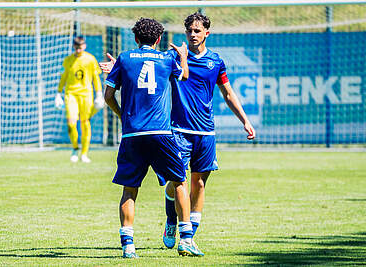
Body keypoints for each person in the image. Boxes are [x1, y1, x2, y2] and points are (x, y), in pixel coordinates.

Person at [104, 18, 203, 258]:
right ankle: (186, 239)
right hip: (161, 133)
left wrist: (122, 116)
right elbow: (185, 77)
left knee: (130, 189)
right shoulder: (167, 59)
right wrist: (182, 58)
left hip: (132, 134)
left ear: (136, 39)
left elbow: (108, 96)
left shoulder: (125, 58)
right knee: (179, 181)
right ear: (158, 40)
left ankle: (128, 245)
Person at [160, 12, 256, 253]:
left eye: (196, 30)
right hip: (179, 130)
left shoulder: (216, 61)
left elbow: (228, 93)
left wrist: (245, 120)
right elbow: (149, 69)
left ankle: (189, 236)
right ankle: (172, 219)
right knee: (176, 182)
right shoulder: (174, 57)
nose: (192, 34)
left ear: (206, 33)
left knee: (199, 184)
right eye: (189, 31)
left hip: (205, 132)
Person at [55, 36, 104, 163]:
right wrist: (58, 93)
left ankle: (84, 153)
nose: (78, 50)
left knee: (85, 122)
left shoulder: (90, 59)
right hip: (71, 94)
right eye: (76, 47)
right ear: (73, 47)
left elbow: (95, 78)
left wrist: (99, 94)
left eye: (80, 47)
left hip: (86, 95)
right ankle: (75, 148)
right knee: (71, 123)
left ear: (84, 46)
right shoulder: (68, 60)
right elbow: (63, 77)